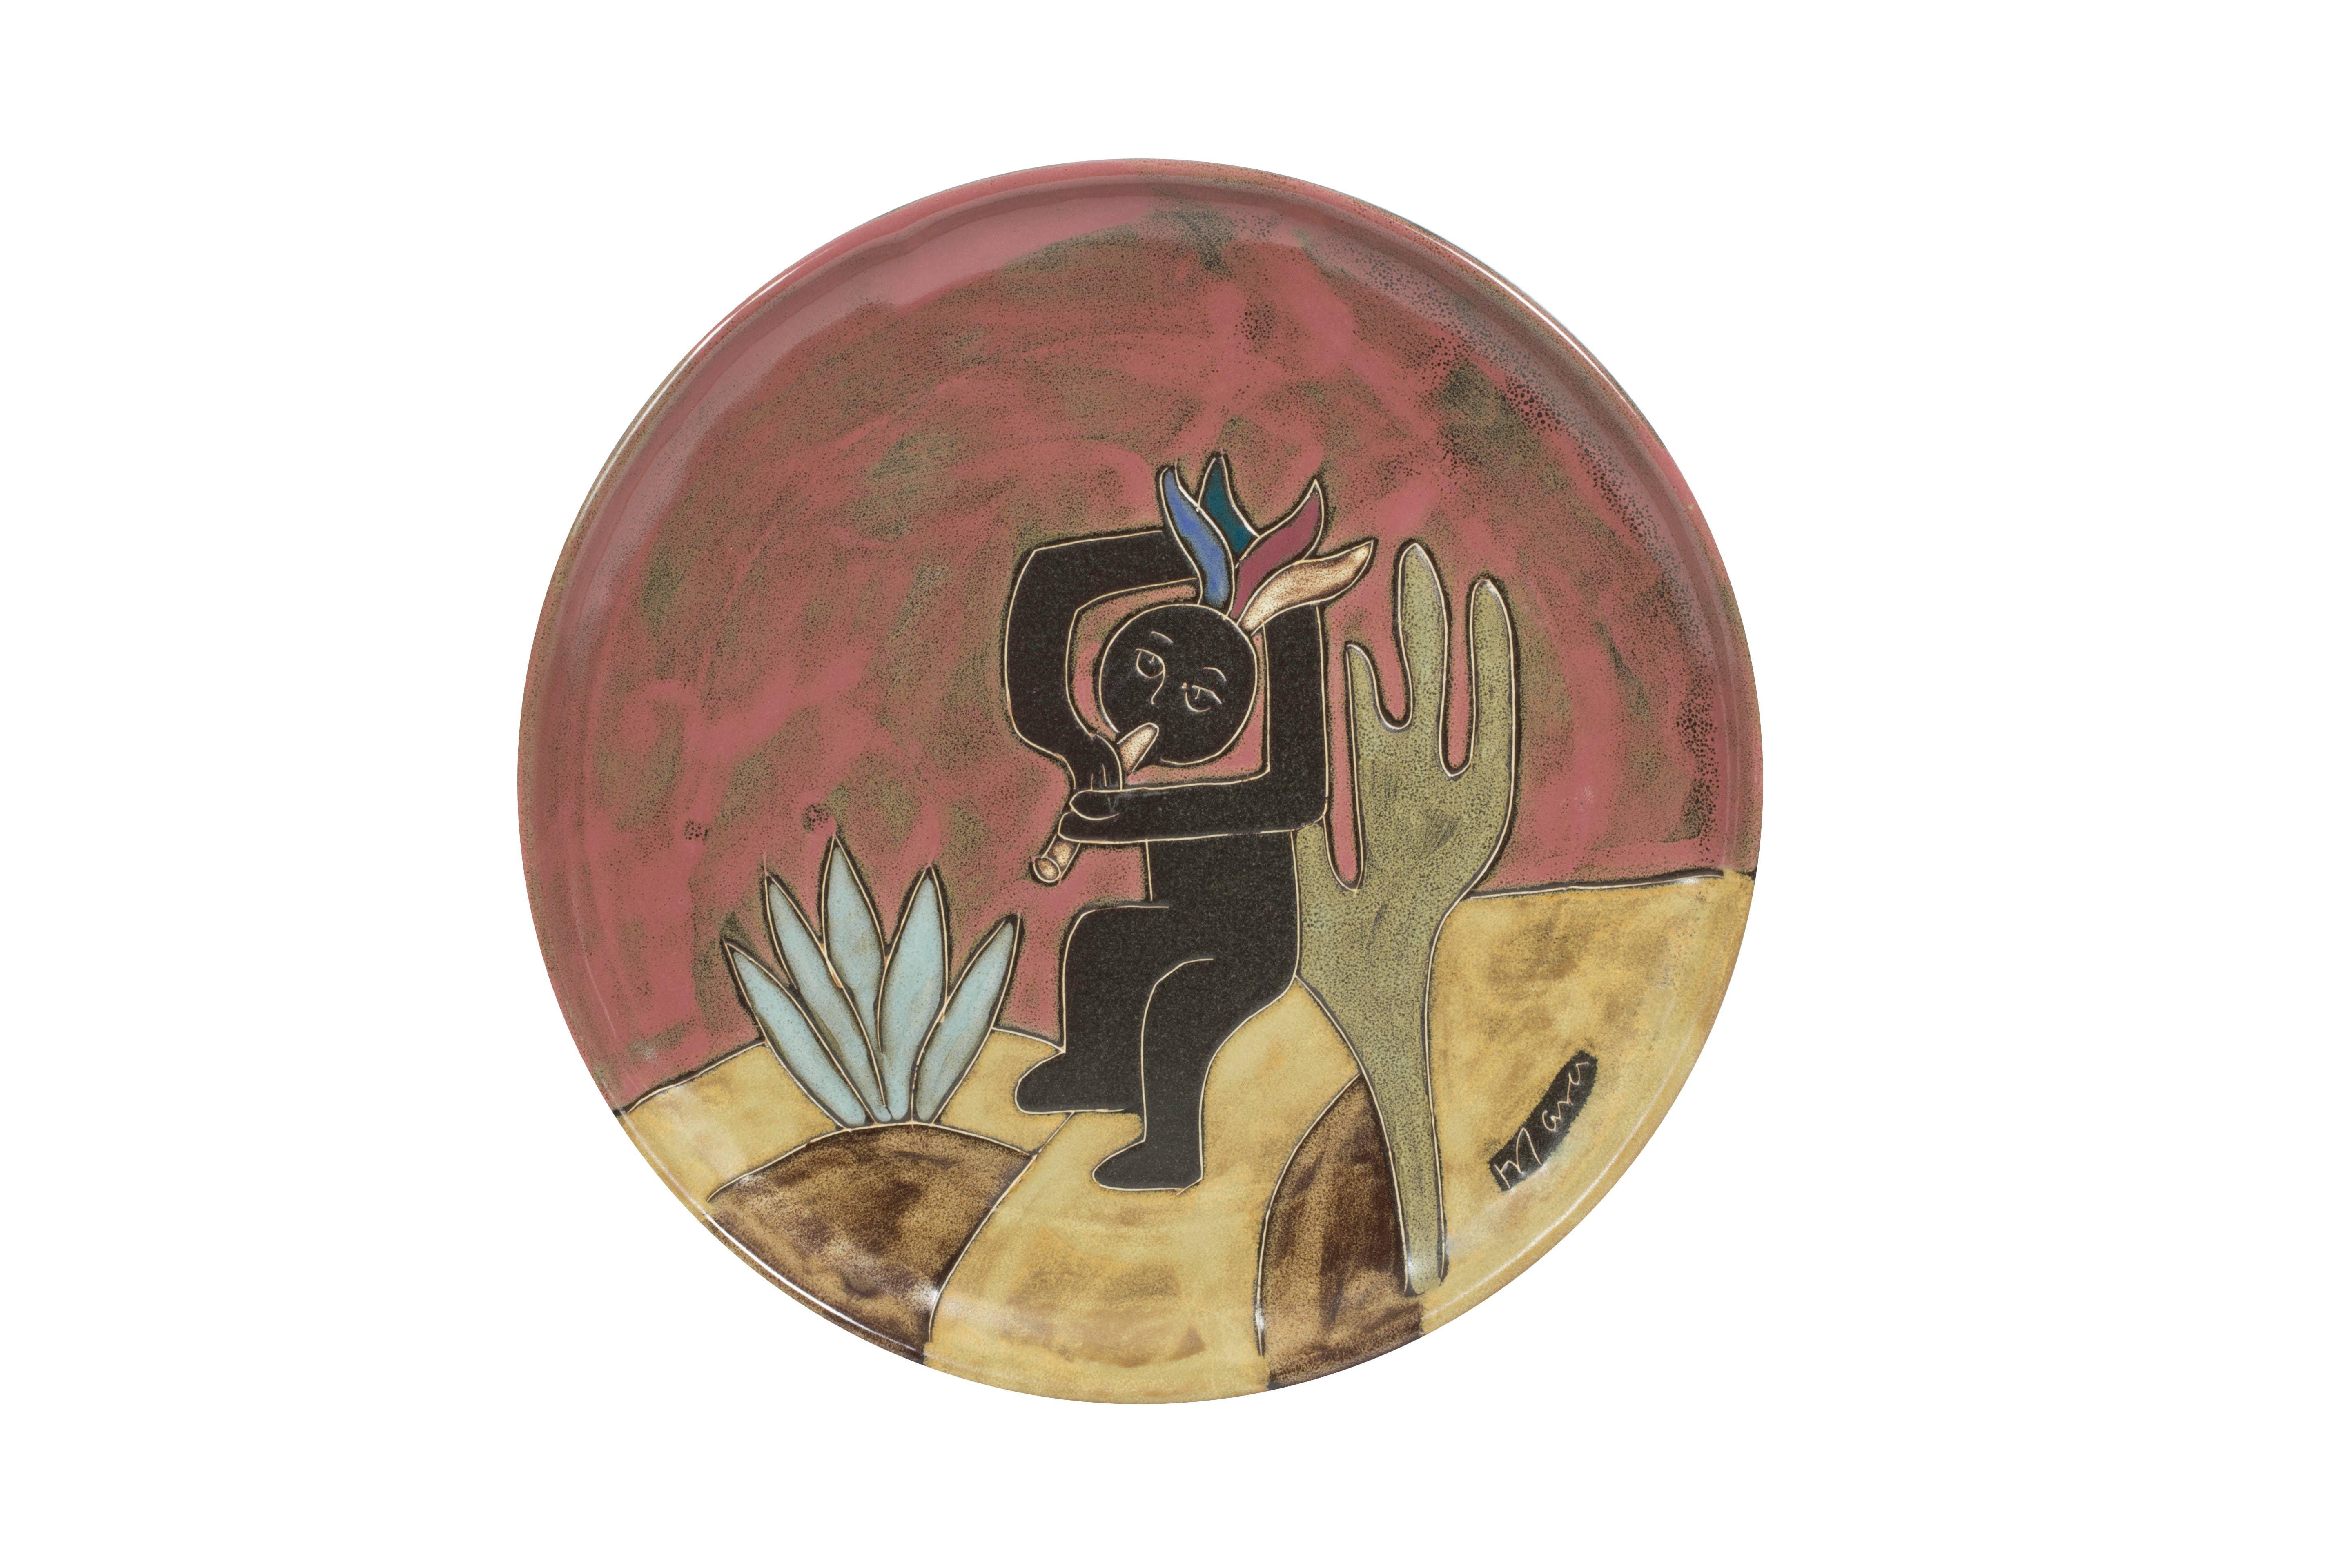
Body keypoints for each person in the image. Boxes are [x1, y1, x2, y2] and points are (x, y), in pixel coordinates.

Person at [1001, 454, 1373, 1188]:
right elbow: (1050, 578)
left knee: (1178, 1004)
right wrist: (1075, 742)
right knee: (1102, 938)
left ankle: (1174, 1149)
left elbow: (1296, 796)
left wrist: (1129, 819)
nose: (1163, 699)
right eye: (1148, 669)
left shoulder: (1285, 628)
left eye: (1200, 699)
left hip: (1251, 936)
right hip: (1176, 904)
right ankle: (1102, 1073)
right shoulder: (1189, 576)